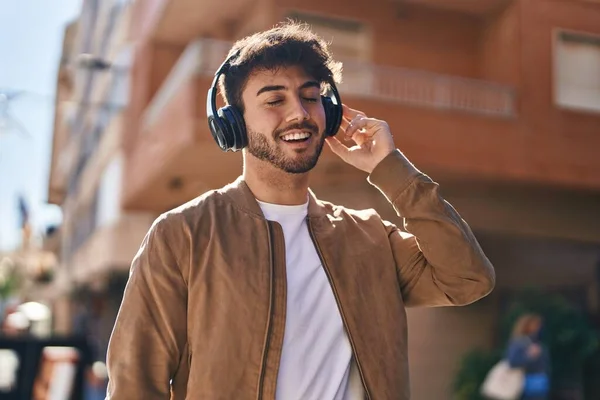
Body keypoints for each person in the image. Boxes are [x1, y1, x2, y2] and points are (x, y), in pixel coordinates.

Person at [105, 21, 495, 400]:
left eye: (310, 97)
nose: (299, 113)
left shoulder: (370, 237)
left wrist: (391, 170)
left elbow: (467, 279)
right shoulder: (183, 235)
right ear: (234, 123)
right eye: (274, 100)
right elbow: (135, 385)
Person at [506, 314, 551, 400]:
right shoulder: (518, 342)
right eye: (535, 325)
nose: (538, 328)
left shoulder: (537, 341)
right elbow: (512, 361)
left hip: (540, 381)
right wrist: (529, 356)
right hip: (526, 381)